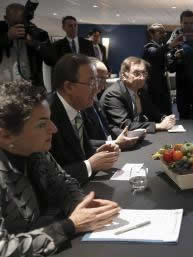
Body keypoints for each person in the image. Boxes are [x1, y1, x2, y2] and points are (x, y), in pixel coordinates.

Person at [0, 80, 120, 256]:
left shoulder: (35, 150)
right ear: (6, 135)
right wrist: (70, 226)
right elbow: (3, 249)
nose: (54, 129)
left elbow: (64, 183)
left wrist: (82, 205)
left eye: (50, 120)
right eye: (42, 124)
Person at [49, 54, 120, 185]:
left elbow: (78, 152)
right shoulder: (47, 116)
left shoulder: (77, 106)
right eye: (92, 82)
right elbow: (46, 179)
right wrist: (89, 165)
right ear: (69, 87)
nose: (98, 88)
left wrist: (97, 153)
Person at [100, 56, 176, 133]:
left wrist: (165, 118)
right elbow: (126, 125)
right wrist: (158, 126)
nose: (142, 78)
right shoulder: (114, 94)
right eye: (136, 73)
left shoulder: (140, 90)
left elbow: (152, 112)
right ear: (124, 76)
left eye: (144, 73)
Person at [83, 58, 140, 150]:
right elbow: (83, 141)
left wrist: (126, 135)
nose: (102, 85)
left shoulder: (94, 99)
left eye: (105, 79)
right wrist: (114, 142)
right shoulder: (82, 102)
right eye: (99, 79)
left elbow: (106, 127)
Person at [0, 3, 55, 86]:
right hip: (3, 88)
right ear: (6, 19)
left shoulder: (37, 32)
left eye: (22, 22)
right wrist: (7, 37)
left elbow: (52, 59)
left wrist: (35, 44)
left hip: (30, 86)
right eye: (15, 23)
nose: (19, 26)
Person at [143, 23, 172, 115]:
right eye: (160, 33)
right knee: (157, 111)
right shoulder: (149, 47)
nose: (163, 35)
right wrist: (169, 46)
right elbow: (155, 53)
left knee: (166, 110)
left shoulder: (161, 47)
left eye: (164, 33)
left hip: (163, 84)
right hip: (154, 86)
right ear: (152, 34)